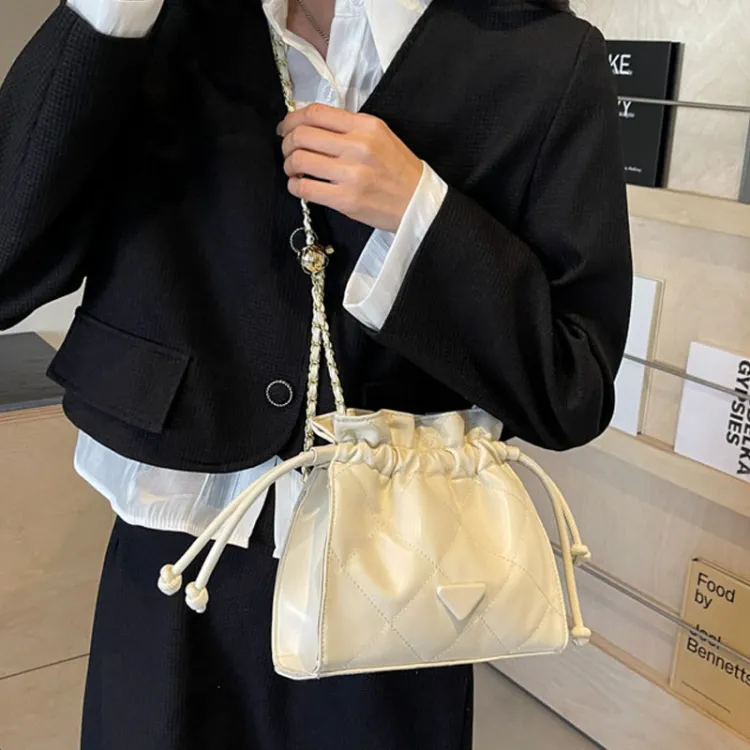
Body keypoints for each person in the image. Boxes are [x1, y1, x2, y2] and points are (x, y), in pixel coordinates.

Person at [0, 0, 633, 748]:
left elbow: (573, 384)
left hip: (403, 579)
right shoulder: (159, 23)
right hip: (175, 561)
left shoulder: (546, 56)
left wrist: (420, 216)